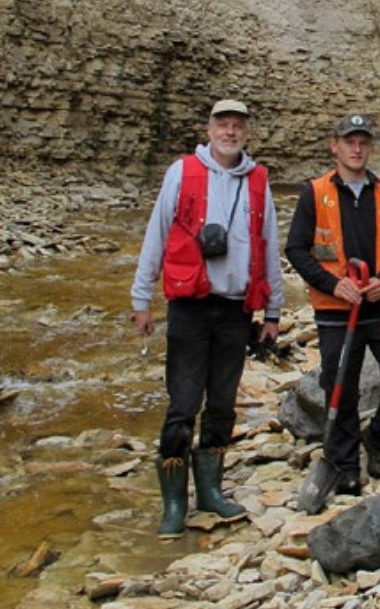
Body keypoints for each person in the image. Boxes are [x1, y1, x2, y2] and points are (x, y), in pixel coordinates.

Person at [130, 99, 283, 535]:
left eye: (237, 126)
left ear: (246, 133)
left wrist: (273, 312)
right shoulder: (181, 172)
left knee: (221, 405)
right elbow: (156, 234)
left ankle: (211, 493)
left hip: (236, 308)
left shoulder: (258, 180)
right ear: (209, 129)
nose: (230, 132)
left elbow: (268, 244)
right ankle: (174, 504)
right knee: (182, 405)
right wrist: (141, 299)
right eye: (223, 125)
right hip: (189, 308)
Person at [285, 114, 380, 496]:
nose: (357, 148)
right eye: (349, 141)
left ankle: (377, 439)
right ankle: (344, 464)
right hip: (335, 309)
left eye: (363, 141)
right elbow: (296, 248)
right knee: (340, 386)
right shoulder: (315, 193)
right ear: (335, 146)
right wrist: (333, 284)